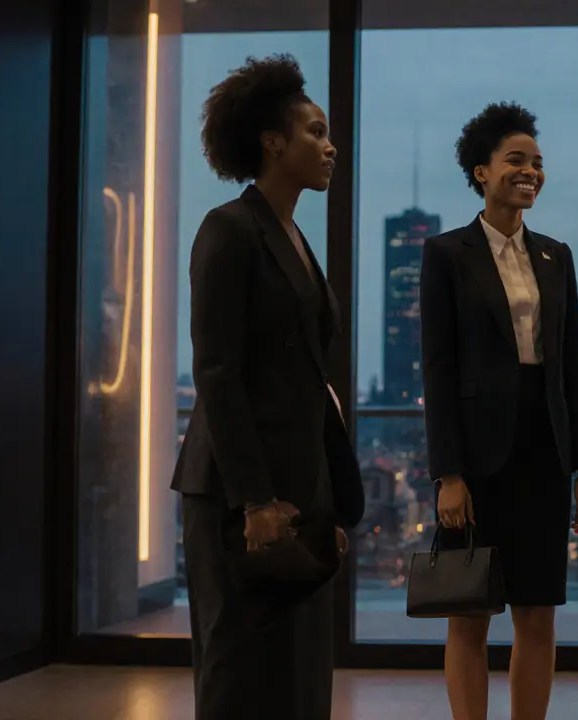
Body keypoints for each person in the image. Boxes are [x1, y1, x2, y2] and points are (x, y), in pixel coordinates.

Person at [171, 54, 365, 720]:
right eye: (314, 131)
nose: (329, 145)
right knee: (240, 672)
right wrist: (256, 499)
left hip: (297, 489)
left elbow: (310, 383)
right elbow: (218, 373)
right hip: (236, 495)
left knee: (300, 671)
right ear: (272, 142)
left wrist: (326, 501)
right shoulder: (228, 229)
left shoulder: (294, 236)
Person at [420, 101, 578, 720]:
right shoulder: (446, 254)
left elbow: (572, 369)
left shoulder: (556, 256)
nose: (530, 172)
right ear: (481, 172)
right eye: (515, 161)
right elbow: (438, 371)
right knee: (469, 615)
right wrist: (448, 473)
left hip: (544, 451)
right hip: (474, 457)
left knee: (537, 612)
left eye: (537, 163)